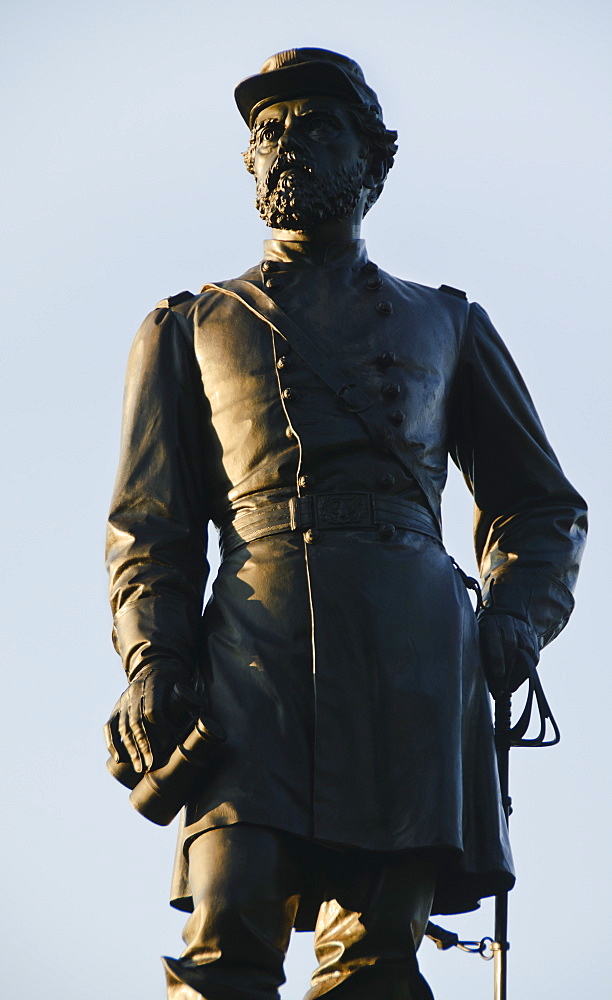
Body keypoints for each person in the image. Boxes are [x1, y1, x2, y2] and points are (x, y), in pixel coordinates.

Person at [104, 48, 587, 1000]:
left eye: (317, 127)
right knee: (226, 929)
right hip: (253, 651)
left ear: (373, 163)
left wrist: (514, 619)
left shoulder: (447, 326)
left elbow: (541, 505)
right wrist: (153, 662)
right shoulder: (189, 326)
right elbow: (150, 528)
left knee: (375, 961)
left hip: (411, 659)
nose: (287, 147)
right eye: (267, 134)